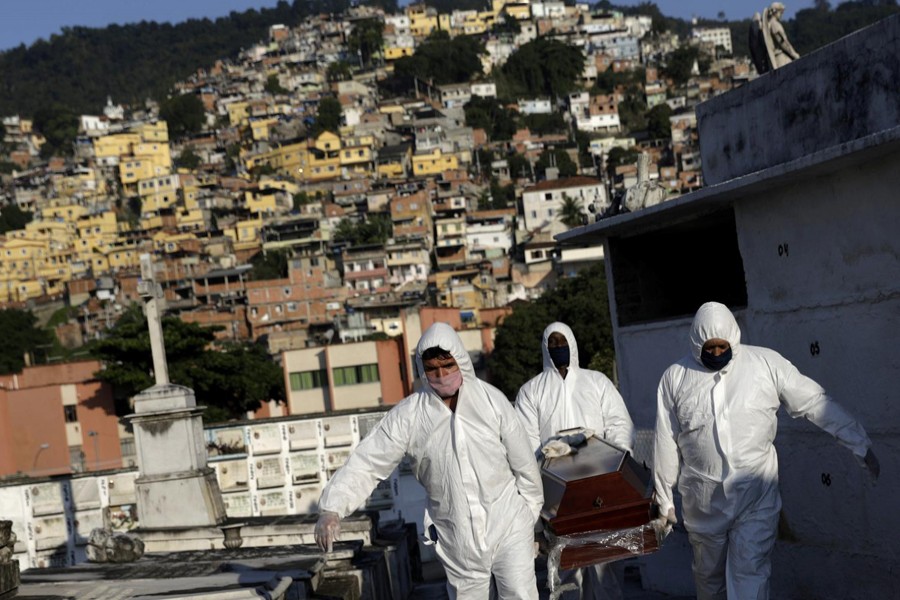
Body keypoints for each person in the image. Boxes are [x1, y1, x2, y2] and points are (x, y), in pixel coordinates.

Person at [652, 301, 880, 600]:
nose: (718, 354)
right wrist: (664, 498)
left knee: (750, 575)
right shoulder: (676, 378)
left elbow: (814, 402)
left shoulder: (766, 365)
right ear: (697, 343)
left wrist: (858, 441)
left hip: (755, 496)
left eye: (723, 347)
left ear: (733, 338)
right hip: (704, 502)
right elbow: (665, 439)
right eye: (711, 349)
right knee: (709, 582)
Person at [315, 322, 544, 599]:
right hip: (456, 535)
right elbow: (368, 460)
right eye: (433, 369)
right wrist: (332, 507)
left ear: (460, 360)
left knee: (521, 594)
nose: (442, 375)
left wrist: (529, 518)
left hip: (508, 523)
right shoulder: (410, 415)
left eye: (448, 365)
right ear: (423, 369)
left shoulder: (492, 402)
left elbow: (525, 466)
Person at [515, 322, 635, 600]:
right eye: (553, 344)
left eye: (563, 342)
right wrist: (548, 463)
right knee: (569, 570)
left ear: (573, 343)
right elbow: (525, 445)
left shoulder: (597, 382)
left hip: (601, 489)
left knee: (608, 566)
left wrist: (611, 461)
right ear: (545, 348)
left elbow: (619, 423)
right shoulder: (531, 392)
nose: (559, 348)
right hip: (559, 498)